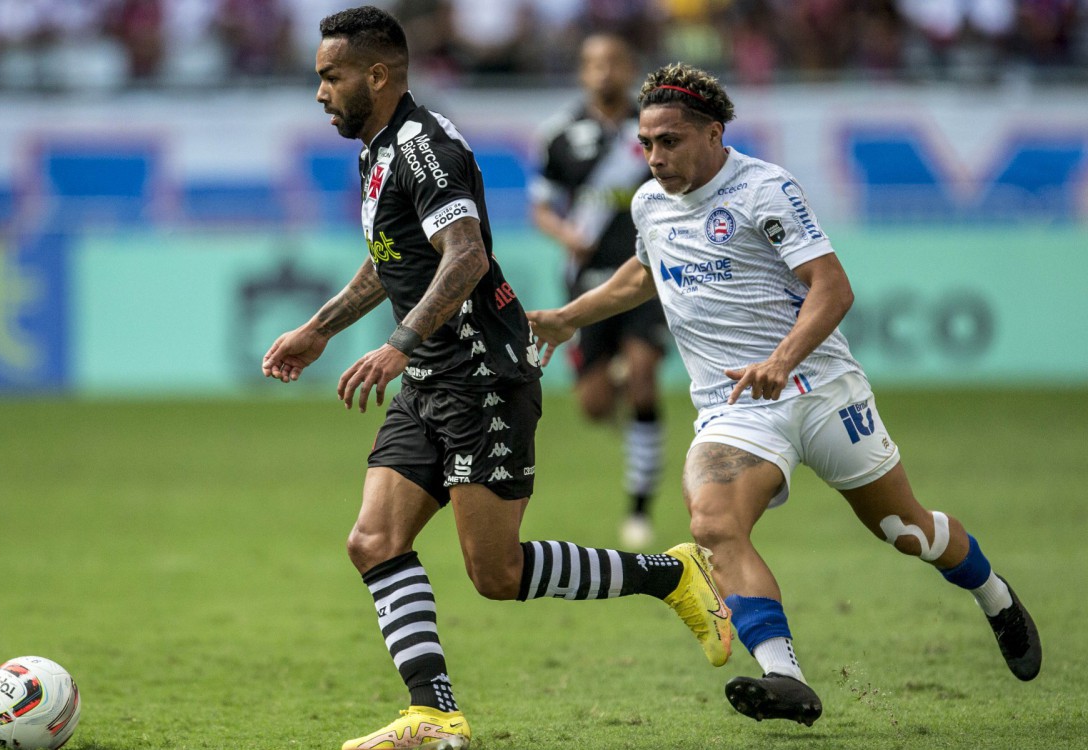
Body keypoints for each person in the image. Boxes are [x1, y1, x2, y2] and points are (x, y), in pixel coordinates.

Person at [261, 9, 732, 749]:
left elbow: (466, 256)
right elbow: (394, 258)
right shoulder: (378, 150)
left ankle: (669, 576)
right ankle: (435, 714)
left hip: (482, 371)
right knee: (373, 539)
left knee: (498, 572)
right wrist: (321, 328)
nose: (320, 92)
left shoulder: (428, 148)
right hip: (432, 374)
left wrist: (398, 343)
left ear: (377, 75)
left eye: (331, 76)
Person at [527, 62, 1042, 727]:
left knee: (904, 530)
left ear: (714, 133)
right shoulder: (650, 203)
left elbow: (833, 288)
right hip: (734, 410)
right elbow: (643, 270)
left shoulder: (765, 189)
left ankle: (995, 595)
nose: (656, 158)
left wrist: (780, 358)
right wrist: (569, 316)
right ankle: (784, 676)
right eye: (647, 144)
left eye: (671, 142)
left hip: (821, 389)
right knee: (713, 525)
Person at [529, 32, 667, 550]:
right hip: (586, 281)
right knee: (592, 406)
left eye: (614, 61)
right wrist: (566, 233)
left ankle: (638, 509)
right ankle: (612, 376)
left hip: (646, 272)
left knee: (645, 372)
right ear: (582, 72)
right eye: (593, 63)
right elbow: (541, 205)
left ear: (631, 66)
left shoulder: (655, 127)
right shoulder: (559, 134)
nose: (604, 70)